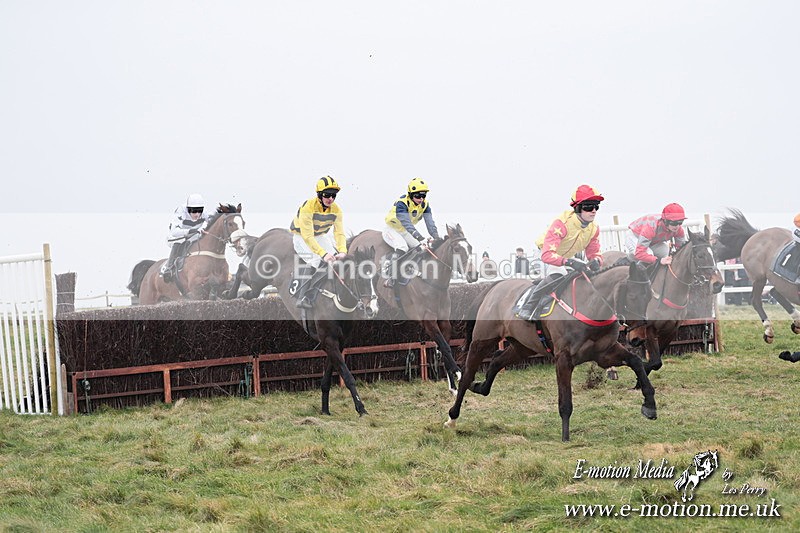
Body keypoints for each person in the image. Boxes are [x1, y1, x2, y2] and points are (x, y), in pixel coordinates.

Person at [517, 184, 604, 320]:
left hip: (566, 258)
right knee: (559, 274)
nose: (593, 211)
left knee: (589, 275)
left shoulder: (594, 229)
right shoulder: (561, 224)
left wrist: (596, 261)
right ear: (578, 208)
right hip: (544, 255)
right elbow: (547, 255)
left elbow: (594, 253)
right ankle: (529, 306)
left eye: (596, 206)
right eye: (588, 206)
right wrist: (569, 261)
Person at [290, 176, 347, 308]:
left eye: (334, 195)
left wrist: (343, 250)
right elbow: (308, 236)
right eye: (327, 195)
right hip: (301, 237)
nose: (331, 199)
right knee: (317, 261)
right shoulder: (308, 207)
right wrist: (322, 254)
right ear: (319, 195)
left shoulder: (336, 210)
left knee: (336, 261)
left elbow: (339, 233)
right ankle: (303, 297)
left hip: (320, 236)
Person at [382, 177, 441, 287]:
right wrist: (419, 236)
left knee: (420, 247)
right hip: (391, 230)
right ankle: (391, 276)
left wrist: (436, 237)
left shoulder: (425, 205)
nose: (421, 199)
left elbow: (430, 223)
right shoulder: (402, 203)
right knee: (402, 247)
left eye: (423, 196)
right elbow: (406, 223)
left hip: (404, 231)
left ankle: (409, 269)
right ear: (410, 194)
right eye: (418, 196)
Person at [160, 193, 209, 282]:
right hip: (176, 236)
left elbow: (211, 223)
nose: (197, 214)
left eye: (199, 211)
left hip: (193, 236)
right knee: (180, 241)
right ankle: (168, 268)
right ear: (188, 209)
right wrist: (190, 231)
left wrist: (202, 229)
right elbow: (174, 232)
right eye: (194, 211)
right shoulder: (181, 211)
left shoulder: (205, 213)